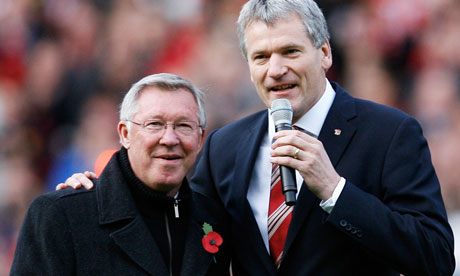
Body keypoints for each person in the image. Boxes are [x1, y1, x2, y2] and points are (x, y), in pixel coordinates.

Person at [57, 0, 455, 275]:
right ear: (249, 67)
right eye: (261, 57)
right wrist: (102, 193)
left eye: (290, 52)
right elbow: (177, 223)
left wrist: (335, 191)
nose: (276, 69)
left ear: (325, 53)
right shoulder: (225, 146)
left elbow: (436, 257)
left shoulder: (390, 133)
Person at [10, 73, 230, 275]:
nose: (170, 139)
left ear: (200, 139)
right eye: (154, 124)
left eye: (183, 125)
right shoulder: (61, 216)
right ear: (125, 134)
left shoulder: (213, 219)